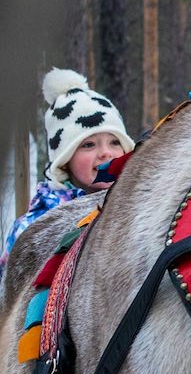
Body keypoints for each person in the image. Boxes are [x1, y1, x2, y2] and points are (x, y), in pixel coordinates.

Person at [2, 68, 134, 266]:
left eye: (115, 142)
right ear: (64, 160)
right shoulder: (35, 227)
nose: (106, 153)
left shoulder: (136, 209)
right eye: (88, 145)